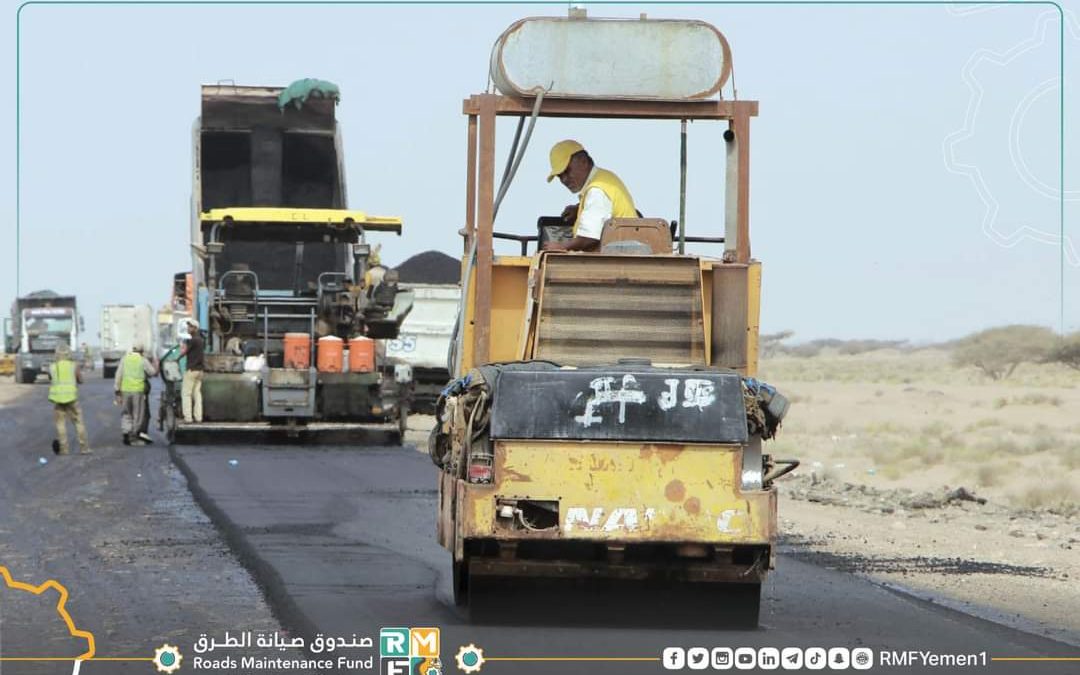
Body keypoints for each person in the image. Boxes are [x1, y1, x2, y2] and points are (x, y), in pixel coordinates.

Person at [542, 140, 638, 252]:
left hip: (616, 260)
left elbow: (589, 237)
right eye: (560, 176)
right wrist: (579, 210)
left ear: (583, 161)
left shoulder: (597, 190)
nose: (564, 179)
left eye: (567, 171)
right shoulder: (605, 178)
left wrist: (562, 247)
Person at [49, 343, 92, 455]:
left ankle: (64, 449)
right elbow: (80, 380)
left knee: (60, 424)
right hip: (72, 399)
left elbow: (51, 378)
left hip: (58, 399)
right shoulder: (74, 365)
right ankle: (84, 448)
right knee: (79, 422)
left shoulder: (53, 366)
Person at [114, 344, 157, 446]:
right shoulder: (142, 360)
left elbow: (118, 375)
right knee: (137, 414)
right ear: (142, 351)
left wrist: (117, 390)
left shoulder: (125, 359)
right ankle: (133, 436)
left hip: (125, 390)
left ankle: (126, 432)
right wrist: (155, 365)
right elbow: (152, 372)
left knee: (126, 412)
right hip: (138, 391)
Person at [179, 319, 205, 423]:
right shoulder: (201, 340)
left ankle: (188, 418)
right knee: (197, 394)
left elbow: (183, 352)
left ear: (195, 328)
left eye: (190, 327)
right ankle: (198, 417)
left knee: (186, 394)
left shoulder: (192, 340)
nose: (188, 328)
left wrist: (176, 359)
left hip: (191, 369)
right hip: (200, 371)